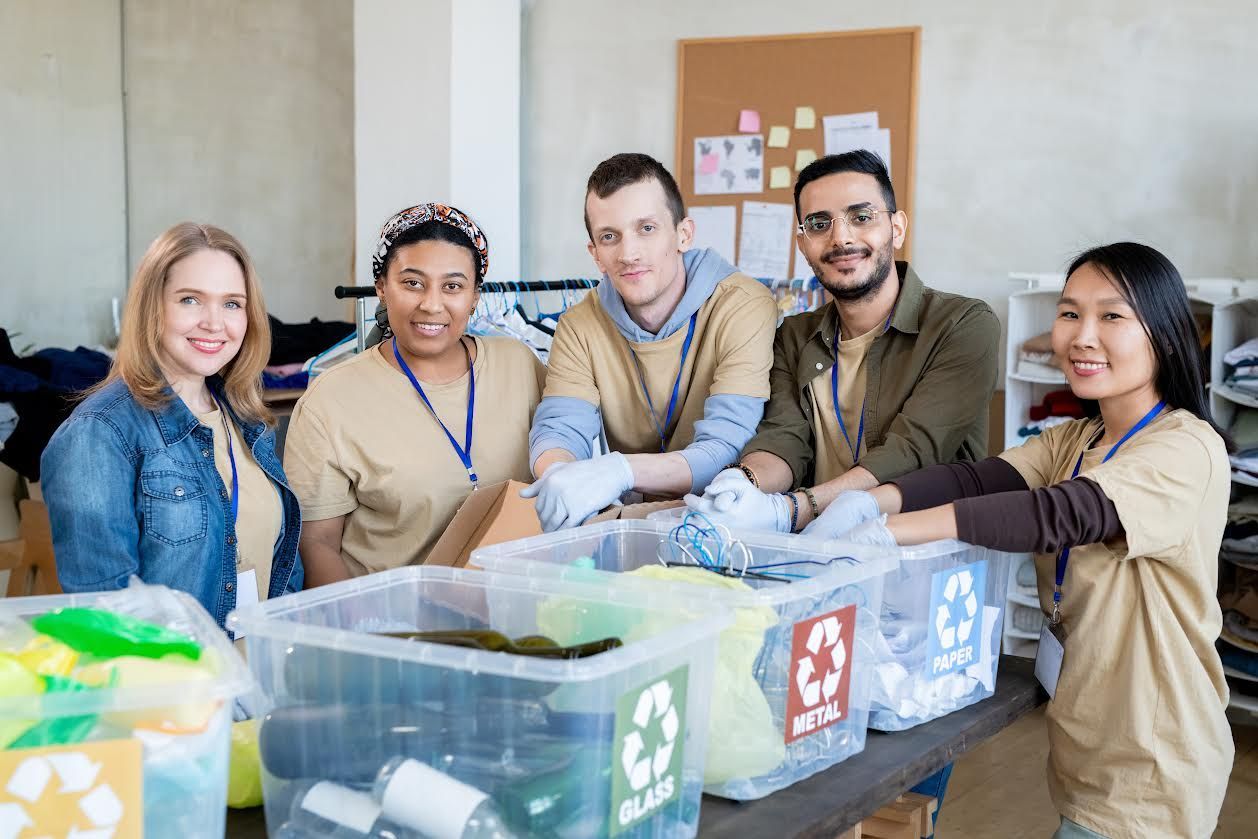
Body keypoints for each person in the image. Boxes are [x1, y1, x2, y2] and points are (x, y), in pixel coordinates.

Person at [824, 243, 1234, 839]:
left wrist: (884, 534)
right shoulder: (1078, 436)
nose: (1082, 335)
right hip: (1087, 740)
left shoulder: (1186, 446)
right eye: (1069, 313)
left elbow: (1058, 514)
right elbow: (976, 478)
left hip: (1153, 758)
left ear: (1166, 335)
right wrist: (857, 500)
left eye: (1112, 316)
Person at [685, 150, 1000, 537]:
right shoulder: (793, 336)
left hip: (919, 554)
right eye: (819, 224)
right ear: (802, 243)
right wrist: (741, 485)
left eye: (861, 217)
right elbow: (785, 439)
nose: (841, 238)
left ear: (897, 228)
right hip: (812, 554)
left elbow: (915, 451)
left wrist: (794, 508)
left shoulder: (962, 324)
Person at [42, 223, 302, 629]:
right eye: (190, 300)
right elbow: (104, 615)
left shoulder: (246, 418)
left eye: (232, 304)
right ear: (153, 307)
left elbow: (283, 567)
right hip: (177, 686)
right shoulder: (100, 433)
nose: (215, 323)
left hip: (259, 677)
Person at [284, 204, 545, 584]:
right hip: (395, 626)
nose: (432, 304)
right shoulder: (331, 400)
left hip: (516, 613)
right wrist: (360, 636)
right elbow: (317, 543)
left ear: (475, 296)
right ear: (382, 290)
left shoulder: (520, 366)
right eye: (413, 283)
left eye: (453, 286)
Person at [522, 153, 778, 530]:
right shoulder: (579, 325)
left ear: (683, 234)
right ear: (595, 254)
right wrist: (560, 474)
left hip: (728, 518)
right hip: (635, 523)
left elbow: (727, 449)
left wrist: (619, 471)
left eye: (646, 228)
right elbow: (560, 427)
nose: (629, 254)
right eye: (610, 237)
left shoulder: (743, 305)